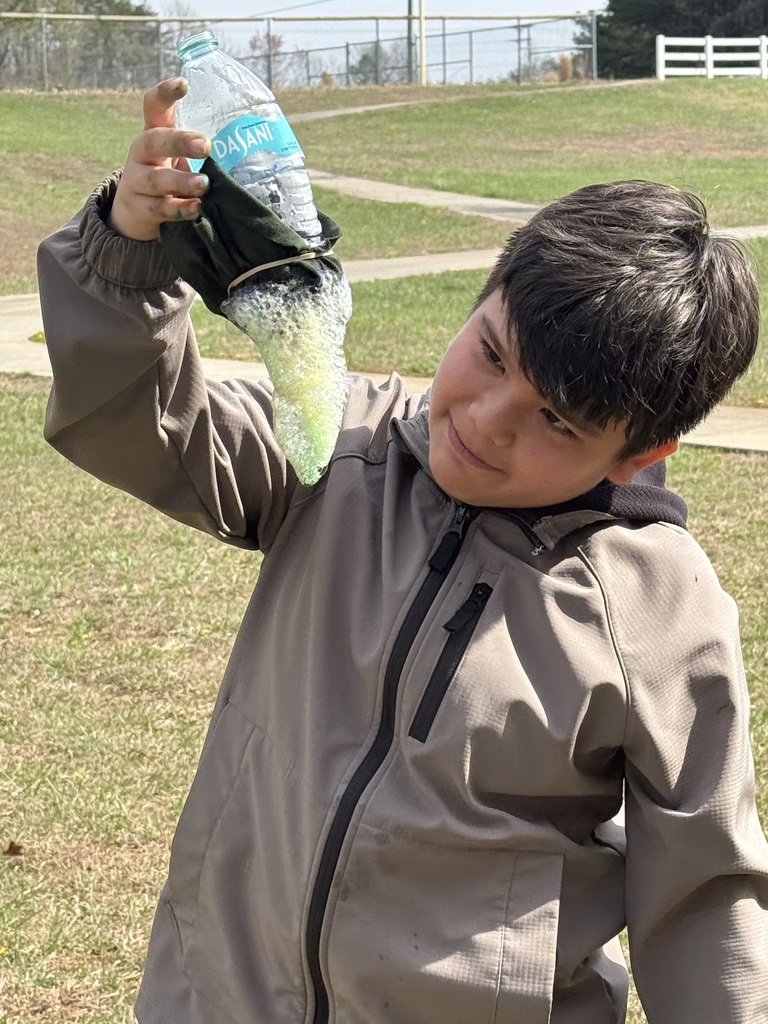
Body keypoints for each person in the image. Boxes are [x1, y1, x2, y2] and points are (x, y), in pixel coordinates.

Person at [37, 78, 768, 1024]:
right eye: (493, 353)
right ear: (482, 297)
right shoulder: (337, 448)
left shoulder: (661, 609)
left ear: (643, 450)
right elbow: (135, 421)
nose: (486, 422)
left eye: (554, 417)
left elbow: (704, 899)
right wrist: (125, 256)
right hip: (219, 997)